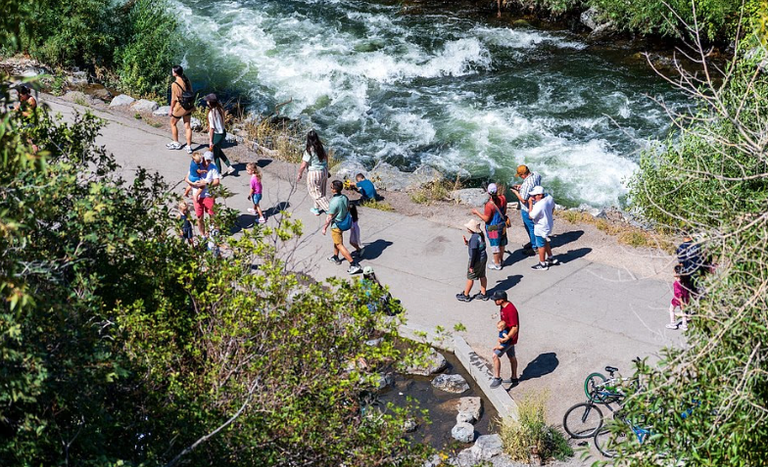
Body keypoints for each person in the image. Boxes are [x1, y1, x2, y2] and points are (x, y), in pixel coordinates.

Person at [322, 180, 362, 275]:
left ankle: (353, 264)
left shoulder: (334, 202)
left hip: (337, 225)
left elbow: (329, 217)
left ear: (334, 190)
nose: (330, 188)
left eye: (331, 187)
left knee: (339, 244)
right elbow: (348, 207)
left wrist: (324, 228)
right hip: (345, 221)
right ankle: (335, 257)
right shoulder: (344, 197)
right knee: (337, 241)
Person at [472, 183, 507, 270]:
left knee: (495, 245)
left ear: (488, 193)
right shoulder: (503, 198)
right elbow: (505, 211)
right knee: (501, 243)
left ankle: (496, 264)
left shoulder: (489, 205)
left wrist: (477, 212)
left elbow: (486, 219)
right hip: (502, 225)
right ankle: (501, 259)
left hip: (493, 228)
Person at [185, 151, 221, 238]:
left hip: (208, 195)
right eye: (206, 160)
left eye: (209, 161)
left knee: (212, 214)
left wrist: (207, 184)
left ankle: (212, 231)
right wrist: (193, 184)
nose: (207, 162)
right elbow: (186, 178)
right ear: (203, 158)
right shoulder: (196, 165)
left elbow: (217, 181)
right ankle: (202, 234)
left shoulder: (213, 168)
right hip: (198, 196)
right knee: (199, 217)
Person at [296, 129, 330, 216]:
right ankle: (316, 209)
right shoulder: (322, 147)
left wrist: (299, 173)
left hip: (314, 173)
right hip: (324, 170)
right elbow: (326, 158)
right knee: (321, 191)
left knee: (315, 193)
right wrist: (327, 168)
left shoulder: (309, 150)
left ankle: (330, 209)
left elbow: (303, 165)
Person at [490, 290, 519, 388]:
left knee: (495, 356)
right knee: (512, 357)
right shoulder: (503, 306)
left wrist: (506, 339)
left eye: (496, 300)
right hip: (505, 335)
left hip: (509, 338)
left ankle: (497, 378)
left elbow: (515, 328)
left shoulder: (511, 310)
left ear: (501, 300)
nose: (494, 302)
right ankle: (514, 378)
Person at [510, 165, 541, 255]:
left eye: (520, 175)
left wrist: (516, 192)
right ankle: (533, 242)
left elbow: (523, 200)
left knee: (530, 227)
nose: (520, 177)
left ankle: (535, 247)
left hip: (527, 208)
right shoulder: (536, 174)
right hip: (536, 205)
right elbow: (532, 186)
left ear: (523, 175)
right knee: (533, 226)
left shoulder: (527, 183)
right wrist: (522, 187)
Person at [456, 219, 489, 302]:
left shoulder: (474, 238)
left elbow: (474, 252)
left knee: (470, 277)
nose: (467, 229)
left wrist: (471, 265)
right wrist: (468, 243)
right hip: (483, 258)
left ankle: (466, 295)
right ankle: (483, 293)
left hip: (476, 260)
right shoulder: (480, 235)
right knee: (482, 275)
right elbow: (478, 247)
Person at [527, 186, 558, 270]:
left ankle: (542, 264)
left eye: (534, 196)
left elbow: (530, 216)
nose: (532, 197)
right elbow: (553, 208)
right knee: (545, 241)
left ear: (540, 195)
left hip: (541, 227)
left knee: (540, 246)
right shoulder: (549, 197)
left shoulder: (539, 205)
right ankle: (551, 258)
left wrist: (530, 204)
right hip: (548, 224)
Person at [204, 93, 234, 175]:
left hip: (217, 135)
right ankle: (229, 166)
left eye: (207, 101)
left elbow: (212, 128)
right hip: (223, 132)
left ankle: (219, 173)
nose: (206, 102)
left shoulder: (211, 113)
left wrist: (210, 140)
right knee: (218, 150)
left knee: (215, 155)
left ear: (210, 102)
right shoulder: (220, 109)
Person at [167, 65, 194, 153]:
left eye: (172, 71)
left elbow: (174, 99)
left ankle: (176, 143)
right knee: (187, 126)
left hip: (180, 107)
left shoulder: (174, 84)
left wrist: (171, 109)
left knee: (173, 123)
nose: (172, 72)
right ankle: (189, 146)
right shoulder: (186, 80)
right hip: (189, 106)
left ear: (175, 73)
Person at [667, 265, 692, 330]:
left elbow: (678, 294)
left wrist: (681, 303)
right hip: (686, 298)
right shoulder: (685, 281)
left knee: (671, 309)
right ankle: (684, 325)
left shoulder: (676, 283)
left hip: (677, 299)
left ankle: (672, 323)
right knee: (683, 311)